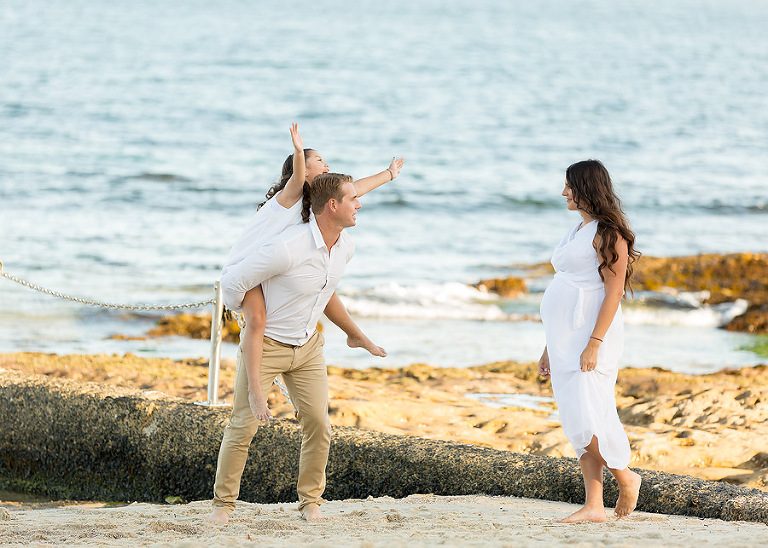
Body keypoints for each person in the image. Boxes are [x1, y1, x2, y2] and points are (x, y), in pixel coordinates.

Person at [209, 173, 366, 524]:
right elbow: (232, 279)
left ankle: (311, 501)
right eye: (353, 199)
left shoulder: (346, 247)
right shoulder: (288, 247)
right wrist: (252, 313)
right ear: (332, 205)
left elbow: (326, 294)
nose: (359, 204)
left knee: (319, 424)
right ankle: (223, 505)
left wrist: (357, 335)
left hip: (308, 346)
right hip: (265, 345)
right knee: (244, 425)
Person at [219, 124, 404, 423]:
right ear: (303, 170)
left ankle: (354, 337)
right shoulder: (289, 197)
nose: (326, 164)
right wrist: (297, 150)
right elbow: (297, 176)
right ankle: (255, 391)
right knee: (258, 321)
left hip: (271, 267)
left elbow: (356, 189)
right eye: (319, 160)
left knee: (321, 285)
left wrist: (389, 173)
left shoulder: (315, 201)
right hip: (245, 269)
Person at [537, 159, 642, 523]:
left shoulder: (609, 234)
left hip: (590, 336)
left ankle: (626, 477)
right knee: (575, 417)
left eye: (569, 186)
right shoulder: (577, 230)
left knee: (589, 415)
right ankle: (594, 506)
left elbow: (613, 293)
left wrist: (594, 342)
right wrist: (548, 348)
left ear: (586, 188)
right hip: (565, 339)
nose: (563, 192)